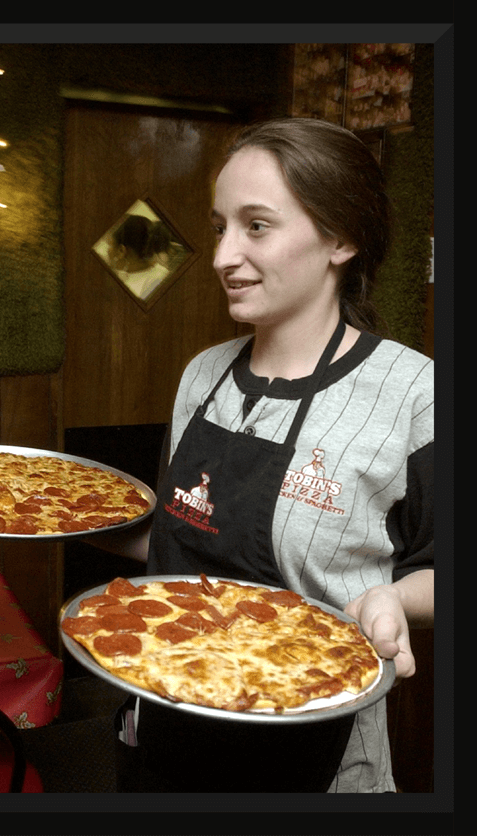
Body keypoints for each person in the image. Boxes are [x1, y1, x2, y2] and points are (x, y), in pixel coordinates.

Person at [95, 117, 434, 793]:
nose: (222, 255)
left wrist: (393, 598)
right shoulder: (203, 375)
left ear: (341, 238)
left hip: (318, 748)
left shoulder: (415, 394)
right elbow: (182, 530)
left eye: (257, 226)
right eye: (221, 226)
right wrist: (52, 515)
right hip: (166, 721)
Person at [105, 214, 172, 300]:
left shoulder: (155, 284)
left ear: (121, 251)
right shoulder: (126, 274)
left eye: (109, 244)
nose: (107, 251)